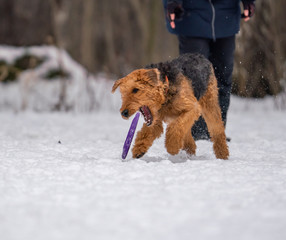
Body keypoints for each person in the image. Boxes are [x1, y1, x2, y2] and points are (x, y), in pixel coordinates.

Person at [162, 0, 255, 141]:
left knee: (222, 77)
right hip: (191, 16)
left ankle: (216, 131)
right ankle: (196, 132)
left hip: (226, 15)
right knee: (194, 78)